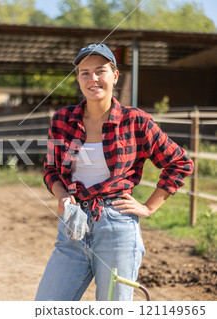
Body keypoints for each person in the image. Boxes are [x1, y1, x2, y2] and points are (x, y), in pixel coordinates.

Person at [35, 44, 194, 301]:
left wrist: (149, 207)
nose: (92, 78)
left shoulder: (136, 121)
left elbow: (179, 163)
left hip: (116, 227)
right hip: (73, 226)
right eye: (84, 73)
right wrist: (62, 195)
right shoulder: (62, 120)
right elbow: (51, 169)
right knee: (46, 306)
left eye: (100, 71)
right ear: (77, 79)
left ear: (115, 75)